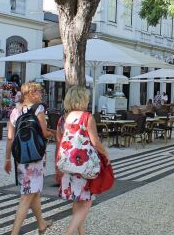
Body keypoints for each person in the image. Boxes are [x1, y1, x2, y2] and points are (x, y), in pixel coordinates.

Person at [57, 86, 108, 235]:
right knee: (86, 202)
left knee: (76, 199)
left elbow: (60, 141)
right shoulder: (87, 117)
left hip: (67, 163)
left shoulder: (63, 118)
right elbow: (95, 141)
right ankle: (68, 233)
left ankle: (81, 232)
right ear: (82, 99)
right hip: (83, 164)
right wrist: (105, 154)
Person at [4, 82, 53, 235]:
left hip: (21, 158)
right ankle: (14, 232)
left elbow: (10, 138)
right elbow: (44, 133)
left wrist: (7, 159)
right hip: (36, 158)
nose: (42, 94)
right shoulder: (38, 109)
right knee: (27, 196)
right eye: (40, 91)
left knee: (34, 192)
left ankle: (41, 224)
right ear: (31, 93)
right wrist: (55, 133)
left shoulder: (14, 112)